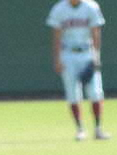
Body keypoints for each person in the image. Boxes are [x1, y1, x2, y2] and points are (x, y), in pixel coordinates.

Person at [46, 0, 110, 141]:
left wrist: (96, 57)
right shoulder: (59, 9)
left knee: (96, 92)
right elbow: (56, 36)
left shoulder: (91, 6)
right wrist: (57, 59)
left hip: (87, 52)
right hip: (68, 54)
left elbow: (95, 32)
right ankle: (80, 129)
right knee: (73, 93)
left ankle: (98, 129)